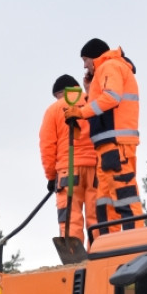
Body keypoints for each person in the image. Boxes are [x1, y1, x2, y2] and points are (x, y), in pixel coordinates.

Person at [64, 38, 143, 235]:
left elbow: (111, 98)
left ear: (95, 57)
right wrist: (90, 89)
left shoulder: (110, 66)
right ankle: (109, 246)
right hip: (107, 145)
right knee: (105, 203)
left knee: (125, 197)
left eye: (85, 60)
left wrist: (81, 112)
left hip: (116, 145)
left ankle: (136, 243)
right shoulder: (107, 70)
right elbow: (103, 102)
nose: (84, 65)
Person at [39, 74, 98, 244]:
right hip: (96, 168)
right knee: (97, 216)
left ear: (60, 93)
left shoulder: (54, 109)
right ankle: (98, 257)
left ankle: (74, 259)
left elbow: (47, 146)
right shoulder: (92, 101)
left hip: (68, 171)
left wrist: (51, 176)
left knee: (70, 218)